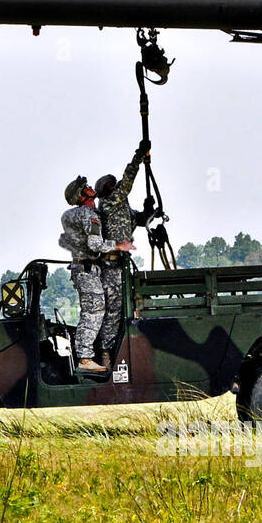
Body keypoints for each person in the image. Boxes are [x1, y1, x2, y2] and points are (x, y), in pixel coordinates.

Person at [60, 176, 135, 373]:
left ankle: (88, 355)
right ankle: (85, 359)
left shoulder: (82, 214)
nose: (91, 187)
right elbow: (95, 244)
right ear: (82, 195)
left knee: (96, 310)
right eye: (86, 187)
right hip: (87, 269)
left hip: (86, 269)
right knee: (94, 311)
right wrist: (119, 246)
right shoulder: (89, 215)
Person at [93, 140, 150, 367]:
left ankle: (120, 350)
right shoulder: (109, 203)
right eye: (112, 185)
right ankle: (106, 351)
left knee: (127, 310)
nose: (116, 187)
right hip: (111, 266)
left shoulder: (121, 207)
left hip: (123, 266)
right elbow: (127, 182)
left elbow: (139, 220)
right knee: (113, 311)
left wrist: (149, 210)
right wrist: (139, 155)